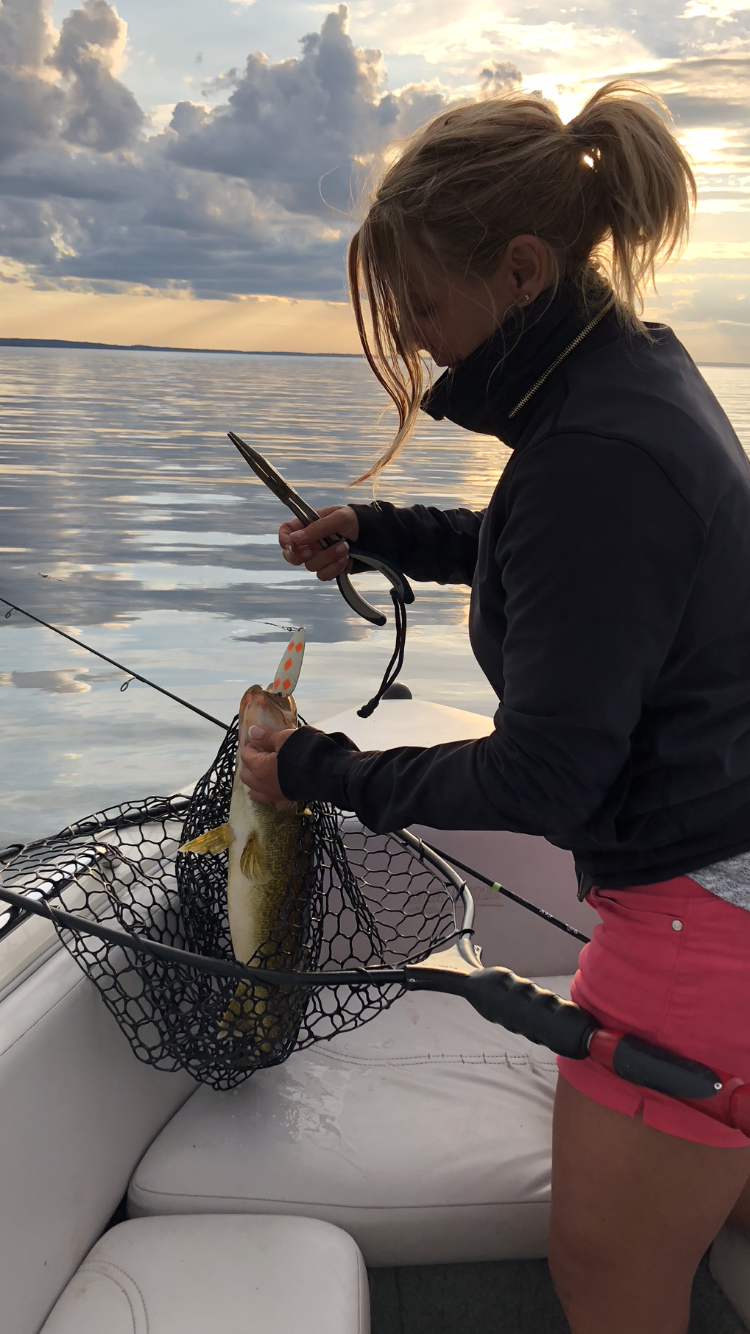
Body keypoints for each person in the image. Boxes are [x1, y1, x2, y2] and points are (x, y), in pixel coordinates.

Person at [240, 79, 750, 1333]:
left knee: (610, 1282)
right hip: (727, 895)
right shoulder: (625, 382)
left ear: (520, 270)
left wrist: (316, 767)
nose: (416, 341)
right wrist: (382, 533)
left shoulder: (593, 449)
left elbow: (539, 782)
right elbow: (558, 558)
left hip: (698, 930)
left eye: (423, 303)